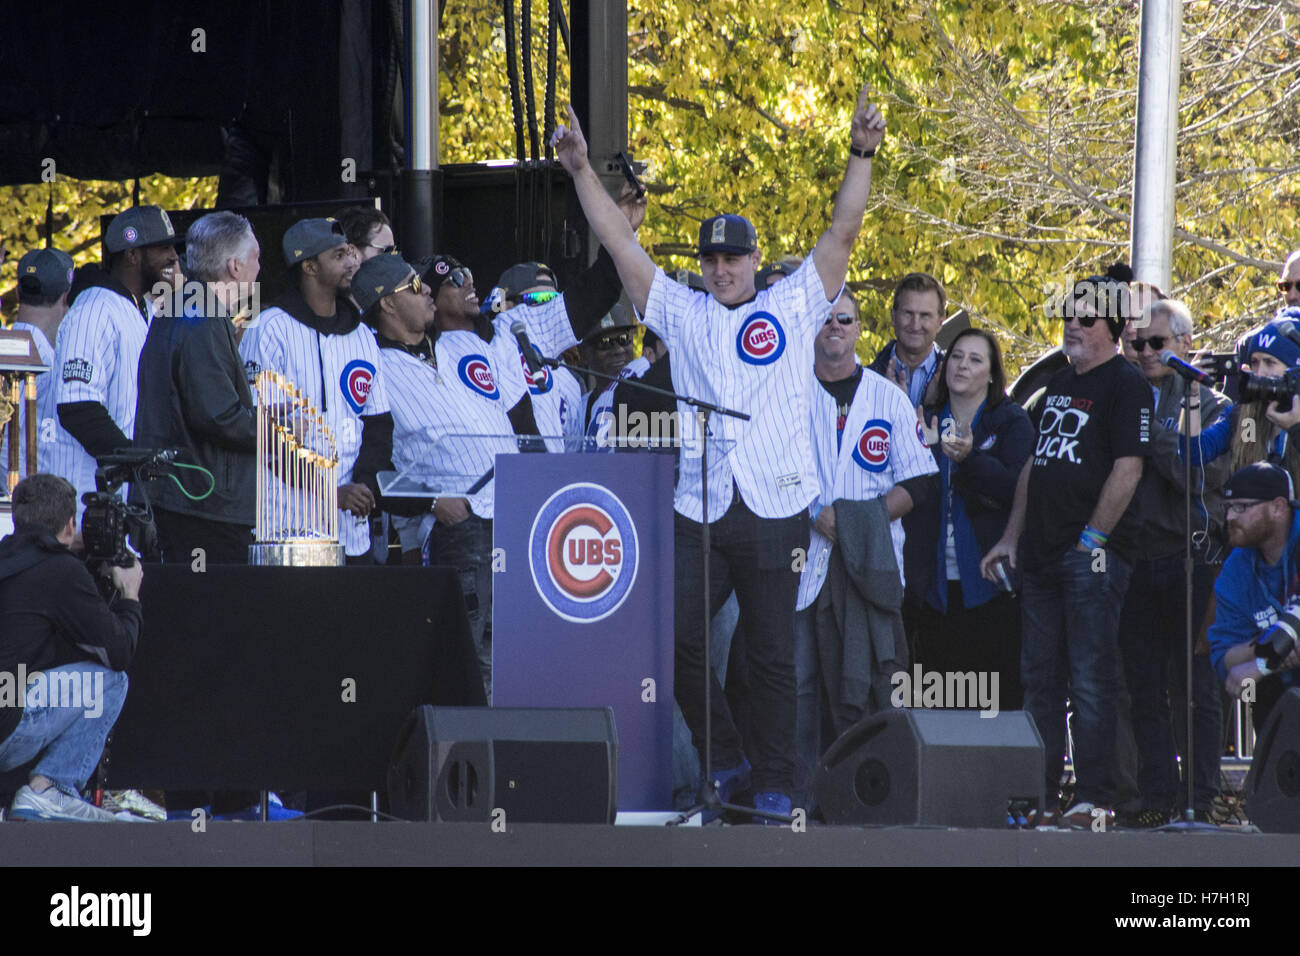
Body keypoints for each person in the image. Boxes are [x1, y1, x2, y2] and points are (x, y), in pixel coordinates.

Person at [553, 83, 886, 820]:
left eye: (734, 258)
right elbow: (620, 242)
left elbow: (842, 235)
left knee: (771, 657)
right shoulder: (681, 308)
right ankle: (727, 760)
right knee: (670, 641)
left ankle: (777, 786)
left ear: (756, 257)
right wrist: (580, 171)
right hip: (698, 502)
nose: (721, 268)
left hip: (773, 502)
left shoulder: (792, 303)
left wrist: (861, 153)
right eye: (711, 257)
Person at [980, 274, 1152, 829]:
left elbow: (1129, 469)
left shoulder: (1127, 385)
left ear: (1113, 326)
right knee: (1040, 679)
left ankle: (1094, 797)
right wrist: (1010, 537)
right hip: (1040, 558)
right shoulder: (1055, 384)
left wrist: (1091, 541)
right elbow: (1036, 464)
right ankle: (1038, 795)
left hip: (1093, 558)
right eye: (1068, 316)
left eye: (1085, 317)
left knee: (1092, 677)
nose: (1072, 325)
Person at [794, 290, 938, 806]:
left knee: (868, 683)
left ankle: (859, 798)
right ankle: (799, 797)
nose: (835, 327)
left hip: (872, 564)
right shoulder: (786, 390)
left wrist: (858, 523)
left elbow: (919, 480)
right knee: (799, 682)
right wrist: (816, 514)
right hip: (799, 560)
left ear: (859, 328)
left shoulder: (887, 397)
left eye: (845, 319)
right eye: (825, 318)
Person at [1115, 299, 1231, 826]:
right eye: (1136, 343)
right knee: (1143, 685)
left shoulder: (1216, 407)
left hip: (1195, 560)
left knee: (1196, 690)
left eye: (1156, 343)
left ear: (1185, 343)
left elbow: (1198, 475)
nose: (1144, 352)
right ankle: (1158, 797)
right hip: (1136, 561)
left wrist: (1147, 441)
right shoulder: (1127, 396)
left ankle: (1200, 799)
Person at [239, 217, 393, 563]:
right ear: (309, 265)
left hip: (352, 530)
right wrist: (329, 491)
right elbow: (262, 432)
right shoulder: (269, 328)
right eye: (339, 256)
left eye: (351, 253)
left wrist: (365, 484)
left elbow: (379, 424)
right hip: (285, 526)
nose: (352, 262)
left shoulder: (362, 334)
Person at [904, 327, 1033, 712]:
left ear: (992, 373)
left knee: (994, 701)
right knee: (936, 703)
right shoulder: (922, 419)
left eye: (975, 359)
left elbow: (1019, 489)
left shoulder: (1011, 421)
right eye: (956, 356)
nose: (962, 365)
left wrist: (970, 460)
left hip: (989, 582)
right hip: (930, 587)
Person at [0, 474, 142, 822]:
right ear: (69, 525)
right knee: (112, 680)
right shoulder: (60, 571)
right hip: (8, 728)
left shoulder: (8, 556)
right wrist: (129, 597)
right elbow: (119, 651)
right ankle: (49, 789)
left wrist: (64, 549)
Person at [134, 212, 262, 564]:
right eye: (256, 258)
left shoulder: (180, 306)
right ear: (235, 267)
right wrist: (274, 430)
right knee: (216, 614)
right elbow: (216, 416)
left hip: (181, 498)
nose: (259, 269)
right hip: (203, 503)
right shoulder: (203, 316)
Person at [48, 206, 183, 513]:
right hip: (85, 504)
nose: (174, 257)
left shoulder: (140, 309)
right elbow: (78, 408)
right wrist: (137, 460)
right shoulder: (94, 308)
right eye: (163, 248)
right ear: (132, 255)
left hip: (122, 502)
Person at [1211, 463, 1300, 731]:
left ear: (1278, 506)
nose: (1229, 518)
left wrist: (1261, 664)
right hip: (1281, 695)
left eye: (1241, 507)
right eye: (1228, 507)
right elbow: (1224, 658)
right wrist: (1275, 642)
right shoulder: (1236, 567)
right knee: (1267, 697)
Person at [1181, 311, 1300, 491]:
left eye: (1269, 363)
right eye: (1254, 362)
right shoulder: (1245, 418)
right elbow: (1193, 453)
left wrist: (1295, 429)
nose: (1259, 372)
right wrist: (1191, 395)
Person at [1, 247, 74, 478]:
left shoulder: (9, 345)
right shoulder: (53, 366)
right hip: (27, 500)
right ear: (67, 298)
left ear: (20, 294)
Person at [868, 272, 946, 408]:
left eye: (925, 316)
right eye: (908, 313)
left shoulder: (955, 381)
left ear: (940, 322)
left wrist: (933, 406)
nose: (915, 325)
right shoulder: (867, 379)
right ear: (893, 317)